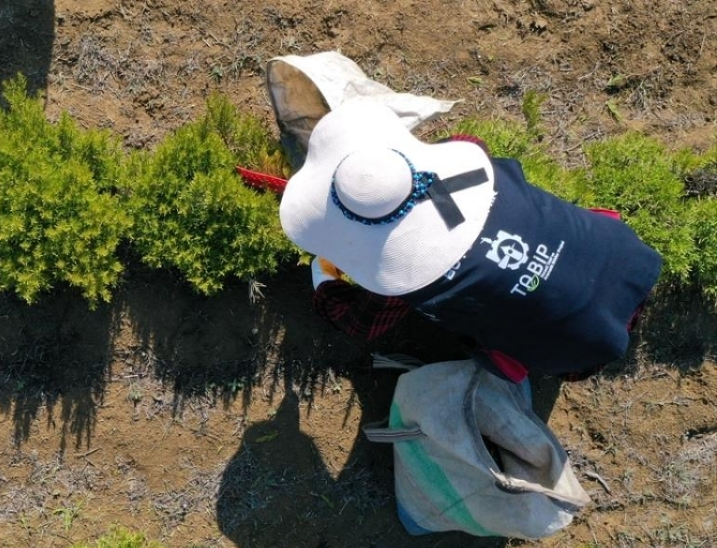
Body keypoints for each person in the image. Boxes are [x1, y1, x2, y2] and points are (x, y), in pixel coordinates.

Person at [278, 99, 662, 383]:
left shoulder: (407, 276)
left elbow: (363, 324)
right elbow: (464, 143)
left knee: (492, 345)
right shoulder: (471, 155)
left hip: (583, 352)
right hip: (627, 260)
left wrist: (324, 281)